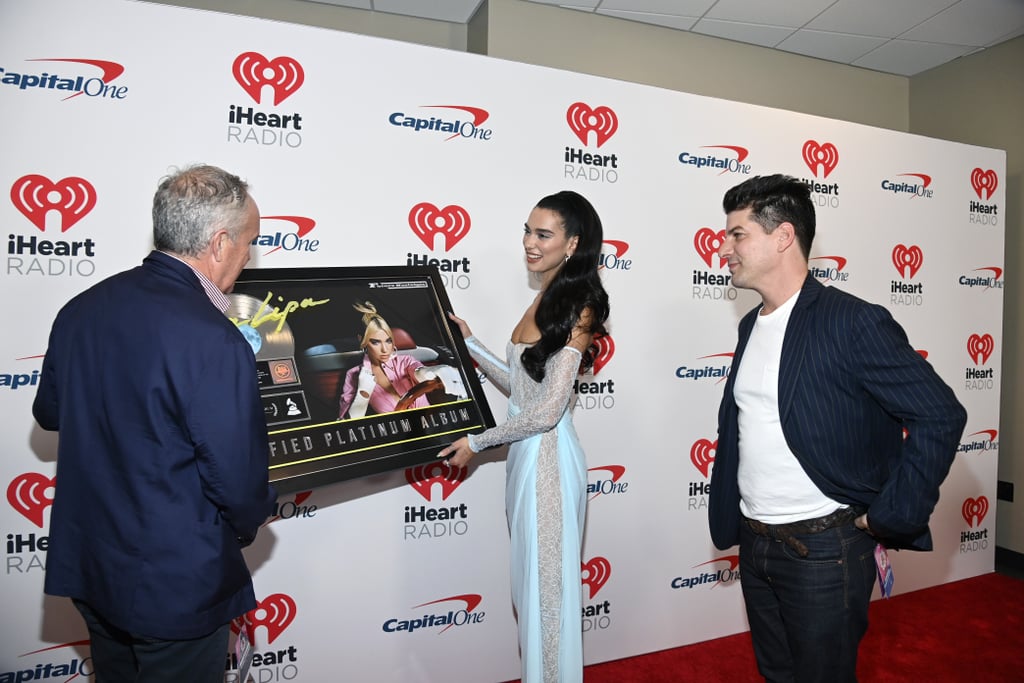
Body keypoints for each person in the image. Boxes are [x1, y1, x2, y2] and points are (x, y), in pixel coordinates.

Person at [708, 174, 967, 682]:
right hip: (756, 545)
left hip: (824, 552)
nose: (723, 247)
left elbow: (940, 413)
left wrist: (893, 514)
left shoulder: (852, 322)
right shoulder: (749, 325)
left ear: (783, 236)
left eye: (737, 234)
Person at [32, 164, 278, 683]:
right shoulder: (214, 338)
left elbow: (49, 414)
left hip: (93, 565)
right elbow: (237, 483)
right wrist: (249, 520)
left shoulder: (81, 309)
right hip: (175, 583)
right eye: (249, 243)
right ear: (219, 243)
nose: (248, 257)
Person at [438, 190, 610, 683]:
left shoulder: (580, 307)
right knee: (531, 593)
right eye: (527, 232)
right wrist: (470, 343)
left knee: (547, 599)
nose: (529, 244)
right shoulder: (546, 297)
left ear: (573, 243)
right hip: (527, 461)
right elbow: (522, 388)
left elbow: (548, 412)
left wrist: (478, 442)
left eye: (543, 234)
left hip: (549, 463)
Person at [337, 301, 435, 418]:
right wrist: (363, 394)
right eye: (375, 342)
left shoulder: (405, 362)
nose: (385, 349)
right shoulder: (353, 375)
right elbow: (347, 424)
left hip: (434, 428)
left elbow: (419, 372)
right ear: (362, 340)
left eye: (388, 341)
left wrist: (430, 373)